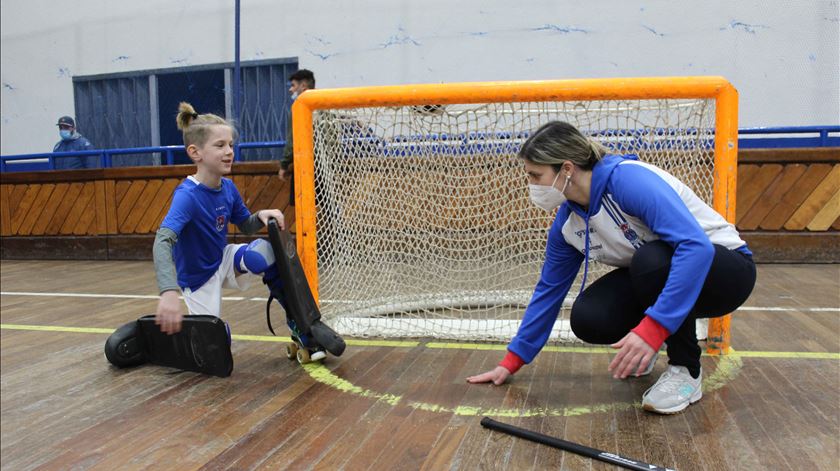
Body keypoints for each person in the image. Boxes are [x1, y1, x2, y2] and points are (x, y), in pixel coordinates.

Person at [466, 121, 756, 415]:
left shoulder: (628, 182)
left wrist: (652, 330)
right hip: (660, 271)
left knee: (651, 261)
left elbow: (696, 248)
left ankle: (685, 371)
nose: (532, 185)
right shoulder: (568, 224)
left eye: (535, 175)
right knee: (590, 317)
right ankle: (651, 345)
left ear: (567, 169)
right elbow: (549, 290)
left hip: (726, 271)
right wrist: (512, 361)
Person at [153, 102, 325, 355]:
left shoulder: (228, 188)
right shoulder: (187, 196)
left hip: (221, 259)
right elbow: (161, 242)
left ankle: (299, 326)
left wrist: (261, 215)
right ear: (195, 152)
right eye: (220, 145)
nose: (229, 151)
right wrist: (168, 292)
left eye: (231, 145)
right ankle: (181, 339)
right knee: (214, 348)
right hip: (197, 278)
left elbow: (245, 224)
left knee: (261, 254)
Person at [278, 69, 315, 206]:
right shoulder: (325, 106)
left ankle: (306, 228)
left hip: (305, 166)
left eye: (293, 85)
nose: (290, 90)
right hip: (326, 169)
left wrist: (284, 164)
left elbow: (294, 140)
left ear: (303, 85)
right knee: (327, 209)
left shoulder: (299, 108)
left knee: (303, 206)